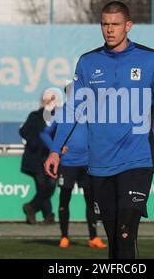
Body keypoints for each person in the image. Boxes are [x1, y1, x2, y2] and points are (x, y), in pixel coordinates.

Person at [44, 1, 154, 259]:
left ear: (128, 26)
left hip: (137, 161)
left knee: (126, 233)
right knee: (114, 239)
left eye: (115, 24)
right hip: (100, 165)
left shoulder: (150, 60)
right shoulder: (88, 62)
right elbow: (72, 109)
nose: (109, 30)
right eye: (105, 24)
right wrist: (55, 150)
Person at [40, 99, 107, 249]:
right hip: (67, 164)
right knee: (64, 200)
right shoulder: (62, 113)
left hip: (87, 164)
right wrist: (55, 149)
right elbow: (44, 134)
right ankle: (64, 237)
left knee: (91, 201)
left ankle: (93, 237)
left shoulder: (91, 112)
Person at [19, 88, 61, 225]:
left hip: (51, 157)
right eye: (47, 99)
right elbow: (24, 131)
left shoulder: (59, 117)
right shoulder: (35, 116)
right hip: (36, 159)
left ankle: (32, 207)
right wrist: (35, 142)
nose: (49, 102)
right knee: (43, 186)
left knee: (49, 186)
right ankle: (47, 215)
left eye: (52, 99)